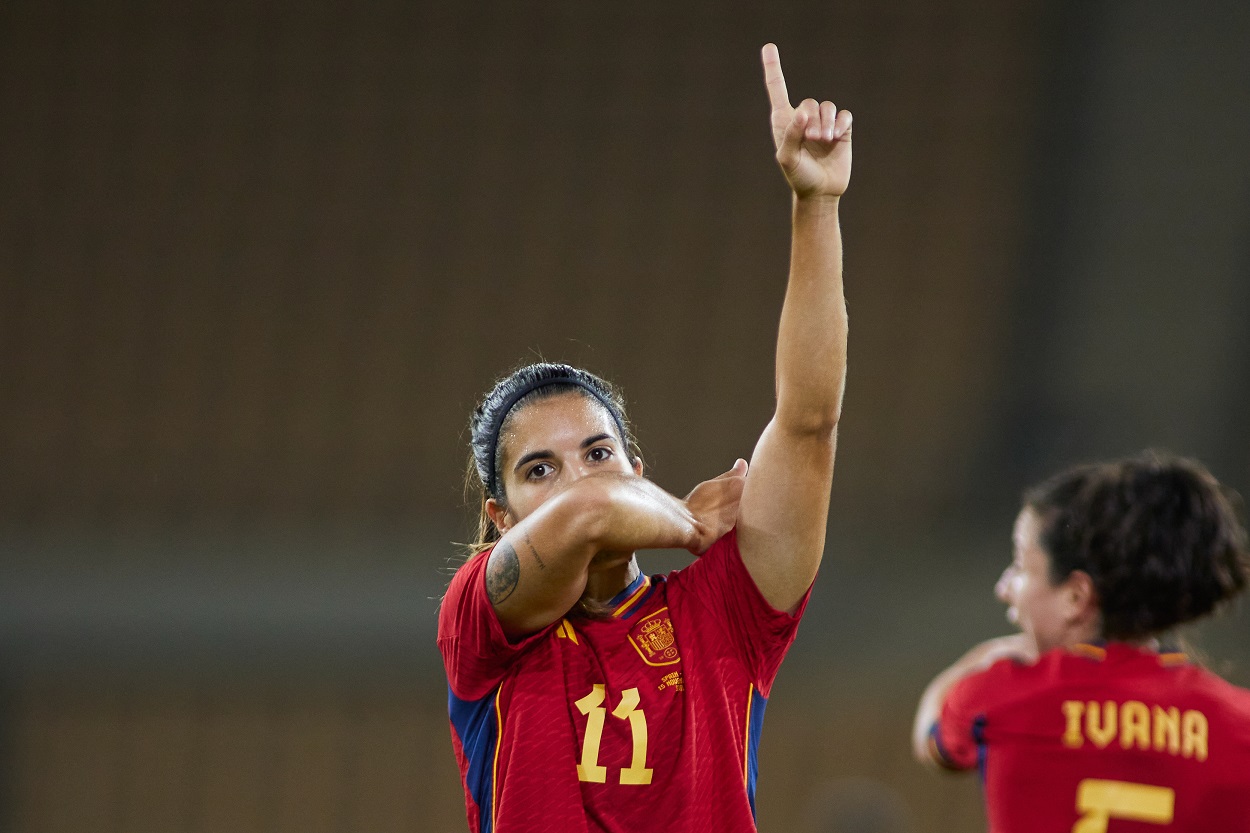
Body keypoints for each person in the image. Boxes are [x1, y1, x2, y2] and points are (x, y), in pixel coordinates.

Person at [438, 43, 851, 833]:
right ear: (499, 520)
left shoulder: (724, 611)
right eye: (538, 469)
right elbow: (593, 516)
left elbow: (808, 420)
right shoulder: (478, 623)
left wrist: (817, 207)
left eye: (598, 453)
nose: (579, 480)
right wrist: (687, 522)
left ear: (637, 465)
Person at [912, 451, 1250, 831]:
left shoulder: (1001, 696)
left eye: (1021, 566)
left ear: (1075, 597)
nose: (1004, 588)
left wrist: (987, 655)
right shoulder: (1241, 725)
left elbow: (931, 737)